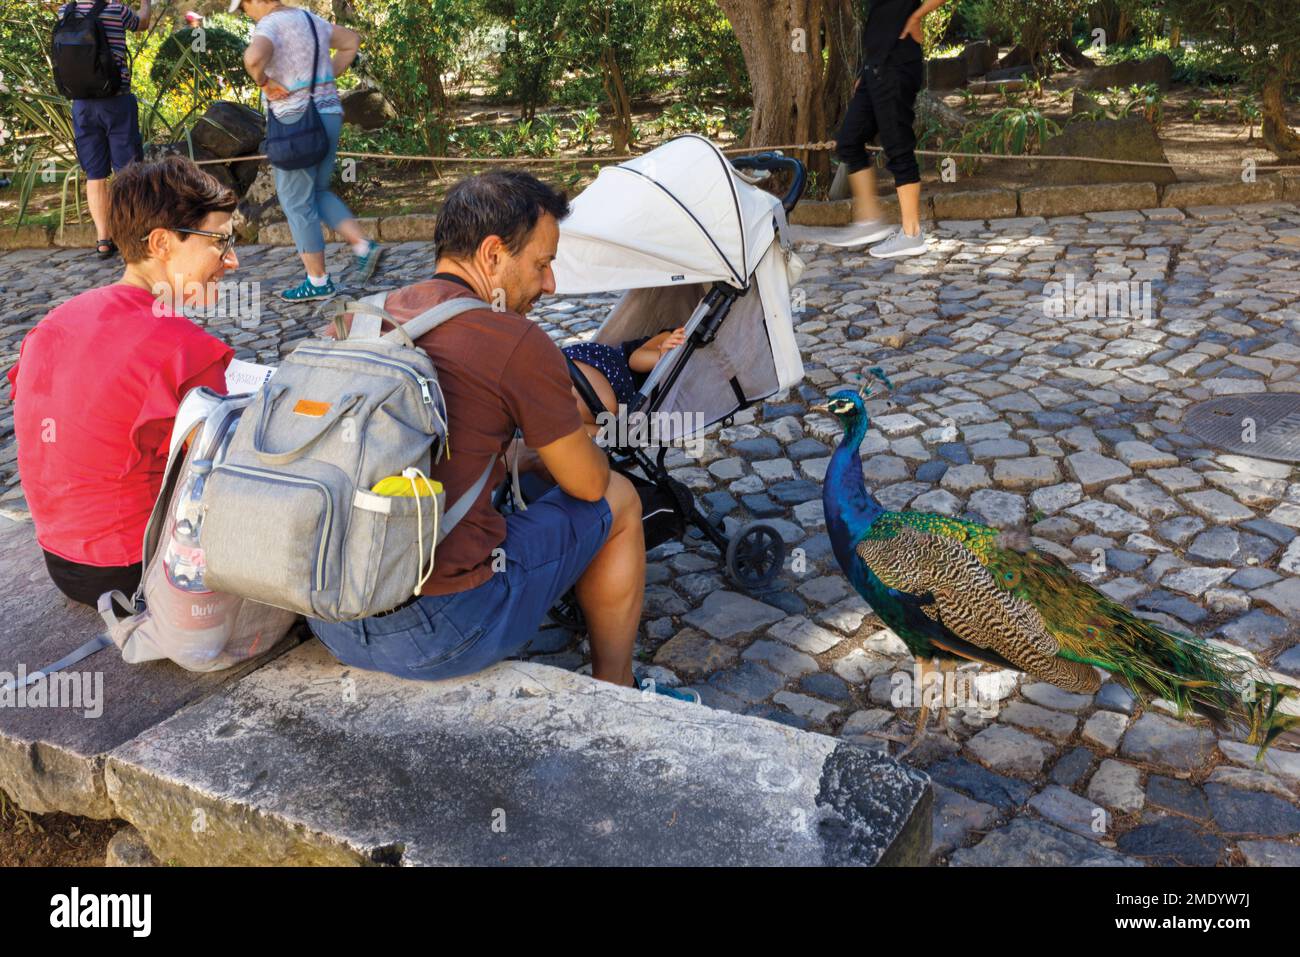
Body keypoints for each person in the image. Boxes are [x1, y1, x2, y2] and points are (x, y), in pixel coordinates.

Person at [308, 171, 689, 700]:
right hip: (442, 633)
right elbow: (586, 484)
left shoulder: (362, 318)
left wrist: (521, 456)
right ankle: (618, 690)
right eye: (542, 263)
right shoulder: (513, 339)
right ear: (491, 255)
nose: (550, 284)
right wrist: (578, 448)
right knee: (619, 498)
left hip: (331, 614)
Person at [7, 156, 238, 606]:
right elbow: (224, 475)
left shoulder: (52, 324)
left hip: (62, 564)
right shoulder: (185, 350)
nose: (232, 261)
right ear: (162, 243)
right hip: (139, 568)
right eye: (220, 241)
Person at [231, 0, 382, 300]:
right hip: (328, 113)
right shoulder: (310, 19)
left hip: (295, 121)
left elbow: (252, 58)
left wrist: (265, 82)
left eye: (244, 7)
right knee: (318, 191)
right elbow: (351, 42)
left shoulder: (270, 25)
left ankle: (318, 281)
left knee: (296, 201)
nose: (246, 14)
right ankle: (364, 246)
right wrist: (326, 77)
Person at [824, 0, 951, 258]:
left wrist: (917, 15)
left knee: (897, 146)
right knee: (849, 139)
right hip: (875, 67)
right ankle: (870, 220)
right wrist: (865, 68)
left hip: (897, 63)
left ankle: (912, 234)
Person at [58, 0, 152, 259]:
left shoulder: (65, 11)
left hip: (81, 105)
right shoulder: (116, 10)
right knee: (127, 172)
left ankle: (103, 239)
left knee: (95, 174)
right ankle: (131, 236)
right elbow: (142, 23)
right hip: (115, 100)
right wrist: (147, 3)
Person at [562, 326, 686, 437]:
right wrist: (661, 355)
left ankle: (555, 424)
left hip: (621, 407)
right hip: (608, 369)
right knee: (605, 406)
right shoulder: (676, 336)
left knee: (606, 429)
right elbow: (635, 361)